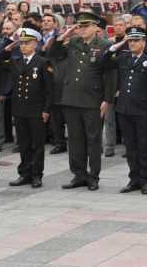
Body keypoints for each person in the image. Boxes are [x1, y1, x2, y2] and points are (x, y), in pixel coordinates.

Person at [48, 11, 115, 191]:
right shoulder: (73, 43)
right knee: (75, 139)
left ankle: (93, 176)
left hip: (93, 100)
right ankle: (79, 174)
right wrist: (63, 36)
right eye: (80, 26)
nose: (82, 29)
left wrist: (107, 100)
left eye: (86, 26)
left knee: (93, 140)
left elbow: (110, 75)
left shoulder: (104, 45)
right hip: (71, 98)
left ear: (95, 27)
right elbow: (52, 53)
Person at [103, 26, 147, 195]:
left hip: (143, 110)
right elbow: (104, 61)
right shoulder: (123, 58)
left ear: (143, 42)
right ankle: (133, 179)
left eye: (136, 40)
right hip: (124, 108)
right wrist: (117, 45)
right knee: (130, 147)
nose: (132, 43)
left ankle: (145, 180)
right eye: (130, 40)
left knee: (143, 146)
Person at [0, 24, 52, 188]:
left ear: (35, 44)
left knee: (37, 145)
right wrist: (7, 48)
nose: (23, 46)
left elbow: (49, 90)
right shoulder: (15, 61)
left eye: (27, 43)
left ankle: (36, 175)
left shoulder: (42, 62)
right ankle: (24, 173)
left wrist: (47, 110)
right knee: (24, 144)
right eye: (21, 43)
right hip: (19, 109)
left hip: (36, 110)